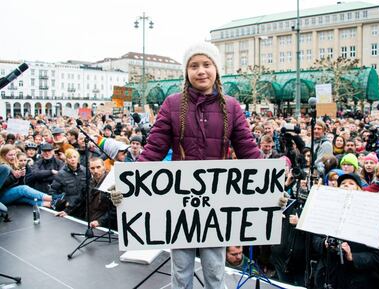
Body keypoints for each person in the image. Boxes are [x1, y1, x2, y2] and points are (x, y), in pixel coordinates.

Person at [113, 42, 261, 289]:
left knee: (215, 270)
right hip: (180, 202)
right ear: (186, 72)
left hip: (216, 202)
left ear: (216, 69)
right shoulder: (172, 104)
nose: (200, 71)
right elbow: (154, 149)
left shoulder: (232, 107)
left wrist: (272, 182)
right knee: (181, 272)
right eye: (194, 66)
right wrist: (128, 179)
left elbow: (248, 150)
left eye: (206, 64)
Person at [313, 173, 379, 289]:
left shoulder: (372, 215)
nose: (346, 186)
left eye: (351, 184)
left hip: (356, 280)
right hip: (327, 276)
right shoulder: (328, 210)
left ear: (360, 189)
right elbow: (315, 239)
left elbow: (378, 257)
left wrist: (352, 257)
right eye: (343, 184)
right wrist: (324, 244)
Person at [50, 149, 87, 218]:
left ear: (78, 158)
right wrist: (62, 202)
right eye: (70, 158)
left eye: (74, 157)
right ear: (66, 160)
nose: (72, 159)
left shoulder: (85, 171)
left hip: (84, 207)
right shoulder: (61, 174)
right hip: (69, 208)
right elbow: (53, 191)